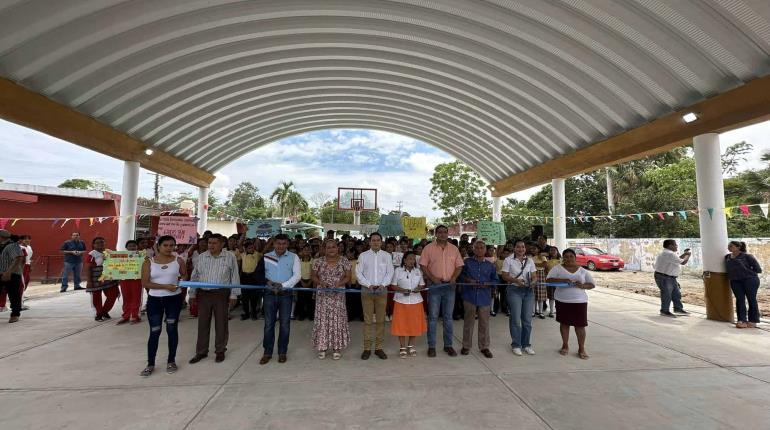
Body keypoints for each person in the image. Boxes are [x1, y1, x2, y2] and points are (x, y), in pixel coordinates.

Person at [188, 234, 240, 364]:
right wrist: (192, 294)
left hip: (221, 294)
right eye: (209, 242)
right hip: (203, 294)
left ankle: (220, 350)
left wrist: (234, 294)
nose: (211, 245)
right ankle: (201, 351)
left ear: (222, 244)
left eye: (214, 243)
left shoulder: (229, 257)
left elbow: (234, 276)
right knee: (202, 324)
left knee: (221, 323)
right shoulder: (201, 257)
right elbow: (195, 276)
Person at [139, 236, 187, 376]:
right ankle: (150, 364)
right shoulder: (149, 262)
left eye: (172, 245)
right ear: (158, 246)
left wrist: (182, 281)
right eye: (165, 245)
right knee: (155, 331)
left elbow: (184, 275)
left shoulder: (179, 261)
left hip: (174, 299)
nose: (169, 248)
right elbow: (145, 283)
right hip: (155, 300)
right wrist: (165, 286)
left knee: (172, 329)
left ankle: (171, 361)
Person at [419, 225, 464, 358]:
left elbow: (459, 266)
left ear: (447, 234)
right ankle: (432, 346)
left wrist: (454, 277)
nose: (443, 234)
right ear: (436, 234)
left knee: (448, 318)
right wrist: (432, 278)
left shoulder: (454, 249)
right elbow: (423, 265)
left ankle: (448, 346)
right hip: (435, 287)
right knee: (432, 317)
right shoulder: (428, 248)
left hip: (449, 287)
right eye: (440, 232)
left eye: (445, 232)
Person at [258, 234, 301, 365]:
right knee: (269, 325)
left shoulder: (294, 257)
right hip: (269, 294)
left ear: (287, 244)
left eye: (283, 244)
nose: (280, 246)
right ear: (274, 244)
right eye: (278, 243)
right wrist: (267, 282)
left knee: (285, 325)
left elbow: (297, 276)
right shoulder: (266, 256)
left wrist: (283, 285)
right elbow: (258, 274)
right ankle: (267, 352)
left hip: (286, 294)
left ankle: (282, 352)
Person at [546, 249, 595, 359]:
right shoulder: (557, 268)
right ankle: (565, 345)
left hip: (579, 301)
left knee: (580, 326)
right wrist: (563, 280)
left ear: (575, 257)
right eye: (566, 257)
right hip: (562, 300)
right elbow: (549, 280)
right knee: (564, 324)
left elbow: (592, 284)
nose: (568, 259)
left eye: (571, 256)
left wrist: (582, 286)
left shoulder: (582, 271)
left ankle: (581, 348)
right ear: (562, 258)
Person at [311, 239, 352, 360]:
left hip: (338, 295)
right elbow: (313, 276)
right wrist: (321, 282)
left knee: (337, 320)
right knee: (322, 319)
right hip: (323, 295)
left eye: (333, 247)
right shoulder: (318, 261)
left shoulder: (344, 261)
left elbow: (348, 277)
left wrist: (339, 283)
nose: (331, 249)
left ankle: (336, 347)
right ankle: (322, 347)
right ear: (324, 249)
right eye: (328, 247)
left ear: (338, 248)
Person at [356, 232, 393, 359]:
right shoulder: (363, 256)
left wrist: (383, 285)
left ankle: (378, 348)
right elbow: (359, 274)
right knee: (367, 321)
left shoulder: (387, 256)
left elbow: (390, 273)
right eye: (373, 240)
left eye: (378, 240)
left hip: (382, 291)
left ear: (381, 242)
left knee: (381, 320)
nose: (376, 242)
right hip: (367, 290)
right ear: (369, 242)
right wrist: (368, 285)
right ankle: (367, 348)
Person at [460, 240, 497, 358]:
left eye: (482, 248)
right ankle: (466, 346)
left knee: (484, 323)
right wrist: (468, 280)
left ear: (485, 250)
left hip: (484, 297)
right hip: (469, 296)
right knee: (468, 322)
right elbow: (460, 276)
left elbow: (496, 280)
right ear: (473, 249)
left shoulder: (490, 265)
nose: (479, 250)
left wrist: (487, 284)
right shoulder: (467, 262)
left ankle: (484, 346)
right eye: (477, 247)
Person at [501, 239, 537, 356]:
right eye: (518, 247)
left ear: (525, 248)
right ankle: (516, 344)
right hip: (514, 290)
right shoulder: (508, 260)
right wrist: (515, 280)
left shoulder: (530, 260)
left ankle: (526, 344)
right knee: (516, 319)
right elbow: (505, 276)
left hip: (528, 291)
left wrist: (533, 281)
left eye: (522, 247)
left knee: (527, 320)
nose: (520, 249)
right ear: (514, 248)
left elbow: (534, 276)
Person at [390, 251, 426, 358]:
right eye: (409, 259)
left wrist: (418, 289)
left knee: (413, 325)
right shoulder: (398, 271)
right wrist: (403, 290)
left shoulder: (418, 271)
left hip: (416, 302)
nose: (412, 261)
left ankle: (411, 346)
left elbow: (422, 285)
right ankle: (402, 347)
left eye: (413, 259)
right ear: (404, 260)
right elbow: (393, 285)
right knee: (401, 324)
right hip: (401, 301)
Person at [725, 241, 763, 329]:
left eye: (731, 246)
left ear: (738, 247)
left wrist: (746, 272)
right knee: (740, 299)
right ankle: (742, 320)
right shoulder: (727, 257)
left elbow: (758, 269)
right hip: (735, 281)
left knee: (751, 299)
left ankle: (753, 321)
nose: (729, 247)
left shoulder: (747, 256)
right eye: (728, 246)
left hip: (750, 280)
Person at [653, 240, 692, 317]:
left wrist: (684, 254)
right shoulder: (669, 254)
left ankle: (678, 308)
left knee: (676, 294)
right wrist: (688, 255)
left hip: (668, 277)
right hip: (664, 277)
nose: (677, 246)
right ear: (670, 246)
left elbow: (677, 260)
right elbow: (682, 262)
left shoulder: (667, 253)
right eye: (675, 245)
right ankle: (664, 311)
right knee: (667, 294)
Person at [85, 237, 121, 321]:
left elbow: (117, 264)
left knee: (113, 294)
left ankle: (104, 311)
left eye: (102, 242)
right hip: (96, 279)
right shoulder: (92, 254)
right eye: (97, 243)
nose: (100, 244)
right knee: (97, 297)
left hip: (109, 278)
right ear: (93, 245)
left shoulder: (110, 252)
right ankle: (99, 314)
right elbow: (88, 268)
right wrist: (89, 281)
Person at [117, 240, 143, 325]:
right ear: (126, 247)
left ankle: (135, 316)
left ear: (137, 247)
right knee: (126, 298)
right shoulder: (121, 256)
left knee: (136, 297)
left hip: (137, 280)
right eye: (130, 246)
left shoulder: (141, 256)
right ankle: (126, 316)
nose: (132, 247)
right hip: (124, 280)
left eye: (134, 246)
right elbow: (115, 268)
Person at [0, 230, 24, 323]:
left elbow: (18, 259)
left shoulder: (12, 245)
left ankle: (15, 314)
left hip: (12, 274)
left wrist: (8, 272)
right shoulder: (2, 245)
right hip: (2, 273)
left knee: (13, 295)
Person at [239, 240, 262, 321]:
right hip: (245, 277)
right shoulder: (243, 254)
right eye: (249, 248)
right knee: (245, 297)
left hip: (254, 277)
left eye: (253, 247)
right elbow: (239, 244)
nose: (252, 249)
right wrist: (244, 233)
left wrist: (257, 240)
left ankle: (254, 313)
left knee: (254, 297)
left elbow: (264, 249)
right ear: (245, 249)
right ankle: (246, 313)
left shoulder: (257, 255)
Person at [295, 246, 315, 321]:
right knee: (301, 299)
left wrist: (310, 282)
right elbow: (297, 273)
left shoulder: (313, 261)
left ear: (310, 251)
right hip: (301, 281)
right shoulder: (298, 261)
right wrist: (302, 282)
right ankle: (301, 315)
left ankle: (311, 315)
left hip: (311, 281)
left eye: (308, 249)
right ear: (302, 251)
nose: (306, 251)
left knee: (310, 300)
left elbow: (314, 273)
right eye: (304, 249)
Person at [544, 247, 562, 318]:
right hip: (550, 281)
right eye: (551, 250)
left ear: (557, 251)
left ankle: (558, 310)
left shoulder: (561, 260)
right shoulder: (547, 261)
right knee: (551, 297)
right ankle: (551, 311)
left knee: (559, 297)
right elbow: (545, 271)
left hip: (559, 281)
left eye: (554, 250)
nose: (552, 251)